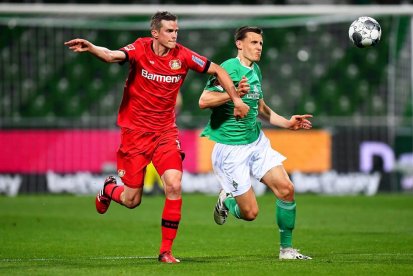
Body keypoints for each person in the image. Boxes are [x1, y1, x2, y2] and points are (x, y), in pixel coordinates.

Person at [64, 11, 249, 264]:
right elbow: (111, 55)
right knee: (132, 200)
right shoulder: (140, 49)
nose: (175, 35)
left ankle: (166, 251)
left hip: (165, 133)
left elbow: (216, 69)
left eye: (176, 31)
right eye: (169, 31)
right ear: (155, 33)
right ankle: (109, 188)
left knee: (173, 184)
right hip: (135, 134)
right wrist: (92, 47)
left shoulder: (183, 55)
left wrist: (236, 99)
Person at [199, 26, 313, 260]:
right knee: (250, 213)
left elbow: (260, 108)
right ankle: (227, 200)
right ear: (239, 44)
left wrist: (287, 123)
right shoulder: (228, 68)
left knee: (286, 189)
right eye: (253, 43)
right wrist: (233, 96)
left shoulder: (256, 70)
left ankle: (287, 250)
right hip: (231, 149)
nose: (259, 47)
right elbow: (204, 100)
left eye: (260, 43)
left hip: (256, 142)